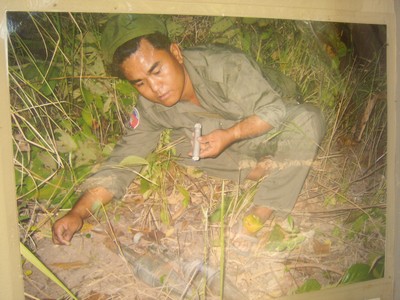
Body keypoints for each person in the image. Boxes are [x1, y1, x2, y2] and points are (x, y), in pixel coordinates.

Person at [52, 14, 325, 246]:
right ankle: (258, 170)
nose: (155, 89)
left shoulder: (224, 65)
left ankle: (261, 211)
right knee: (178, 145)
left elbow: (273, 111)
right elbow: (121, 162)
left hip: (270, 128)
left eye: (157, 71)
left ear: (176, 53)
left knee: (309, 119)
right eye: (140, 83)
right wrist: (78, 213)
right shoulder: (150, 107)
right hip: (234, 144)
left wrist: (230, 135)